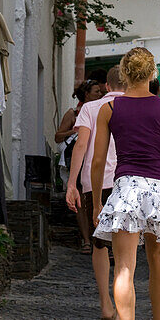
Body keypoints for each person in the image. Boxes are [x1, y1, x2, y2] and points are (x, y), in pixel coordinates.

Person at [91, 47, 160, 320]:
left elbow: (97, 162)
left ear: (123, 74)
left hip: (125, 189)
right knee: (158, 258)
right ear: (153, 74)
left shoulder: (109, 110)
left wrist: (97, 202)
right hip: (159, 189)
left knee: (123, 266)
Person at [65, 65, 125, 320]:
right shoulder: (138, 107)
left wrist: (72, 182)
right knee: (124, 245)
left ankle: (105, 303)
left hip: (95, 182)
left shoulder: (90, 108)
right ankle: (123, 311)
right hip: (128, 180)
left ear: (107, 87)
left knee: (99, 243)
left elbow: (80, 144)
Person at [57, 80, 103, 250]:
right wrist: (78, 130)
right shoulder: (73, 113)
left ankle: (98, 236)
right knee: (81, 201)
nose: (100, 94)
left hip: (95, 159)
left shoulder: (103, 109)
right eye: (96, 91)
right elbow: (58, 136)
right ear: (86, 94)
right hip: (79, 159)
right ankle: (86, 239)